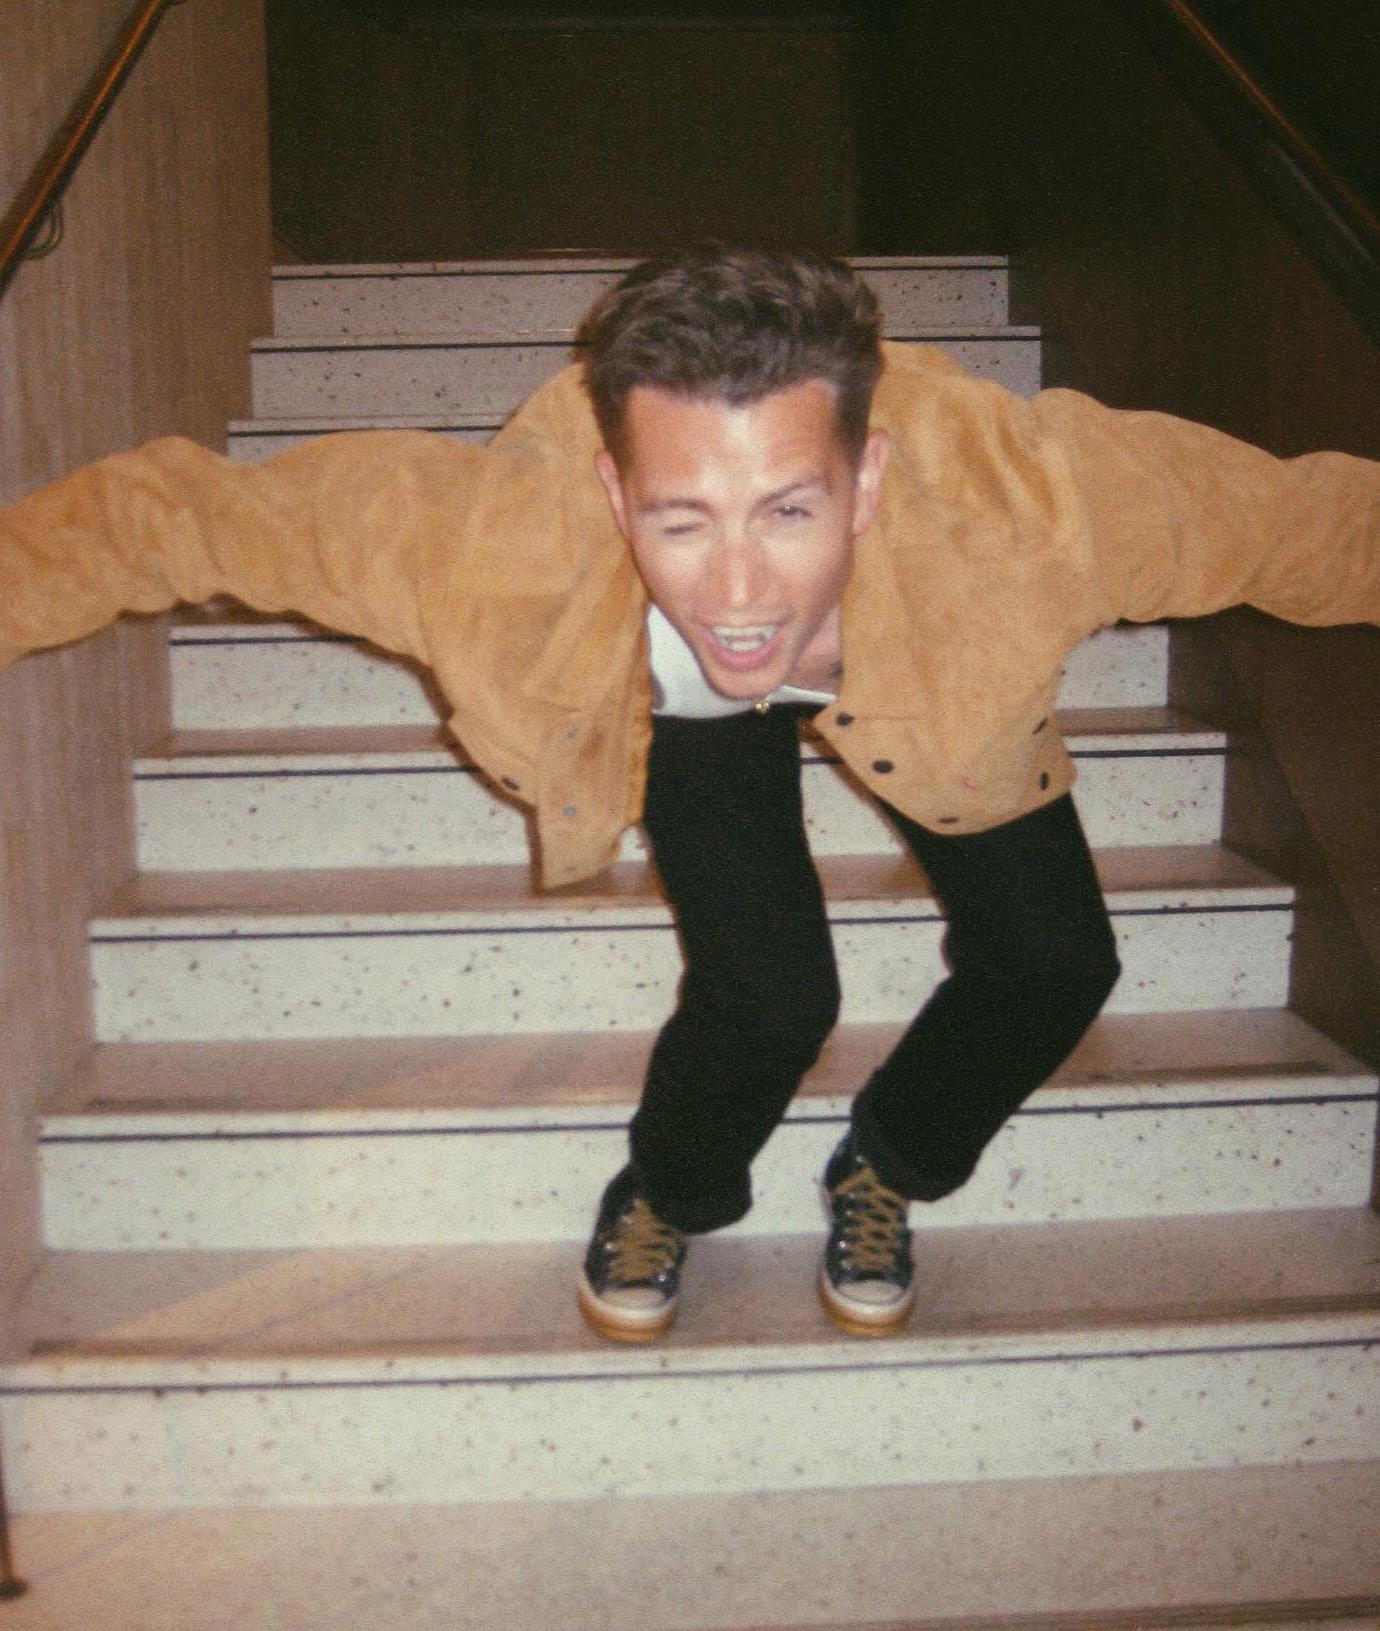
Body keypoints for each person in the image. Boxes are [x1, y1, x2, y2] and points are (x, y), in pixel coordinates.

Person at [1, 249, 1376, 1345]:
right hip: (671, 704)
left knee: (1059, 961)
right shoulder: (491, 543)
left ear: (869, 477)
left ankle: (889, 1164)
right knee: (770, 996)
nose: (736, 591)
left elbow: (1305, 524)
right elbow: (176, 517)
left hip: (935, 671)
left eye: (787, 511)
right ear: (612, 492)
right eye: (681, 520)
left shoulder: (1031, 505)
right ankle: (668, 1187)